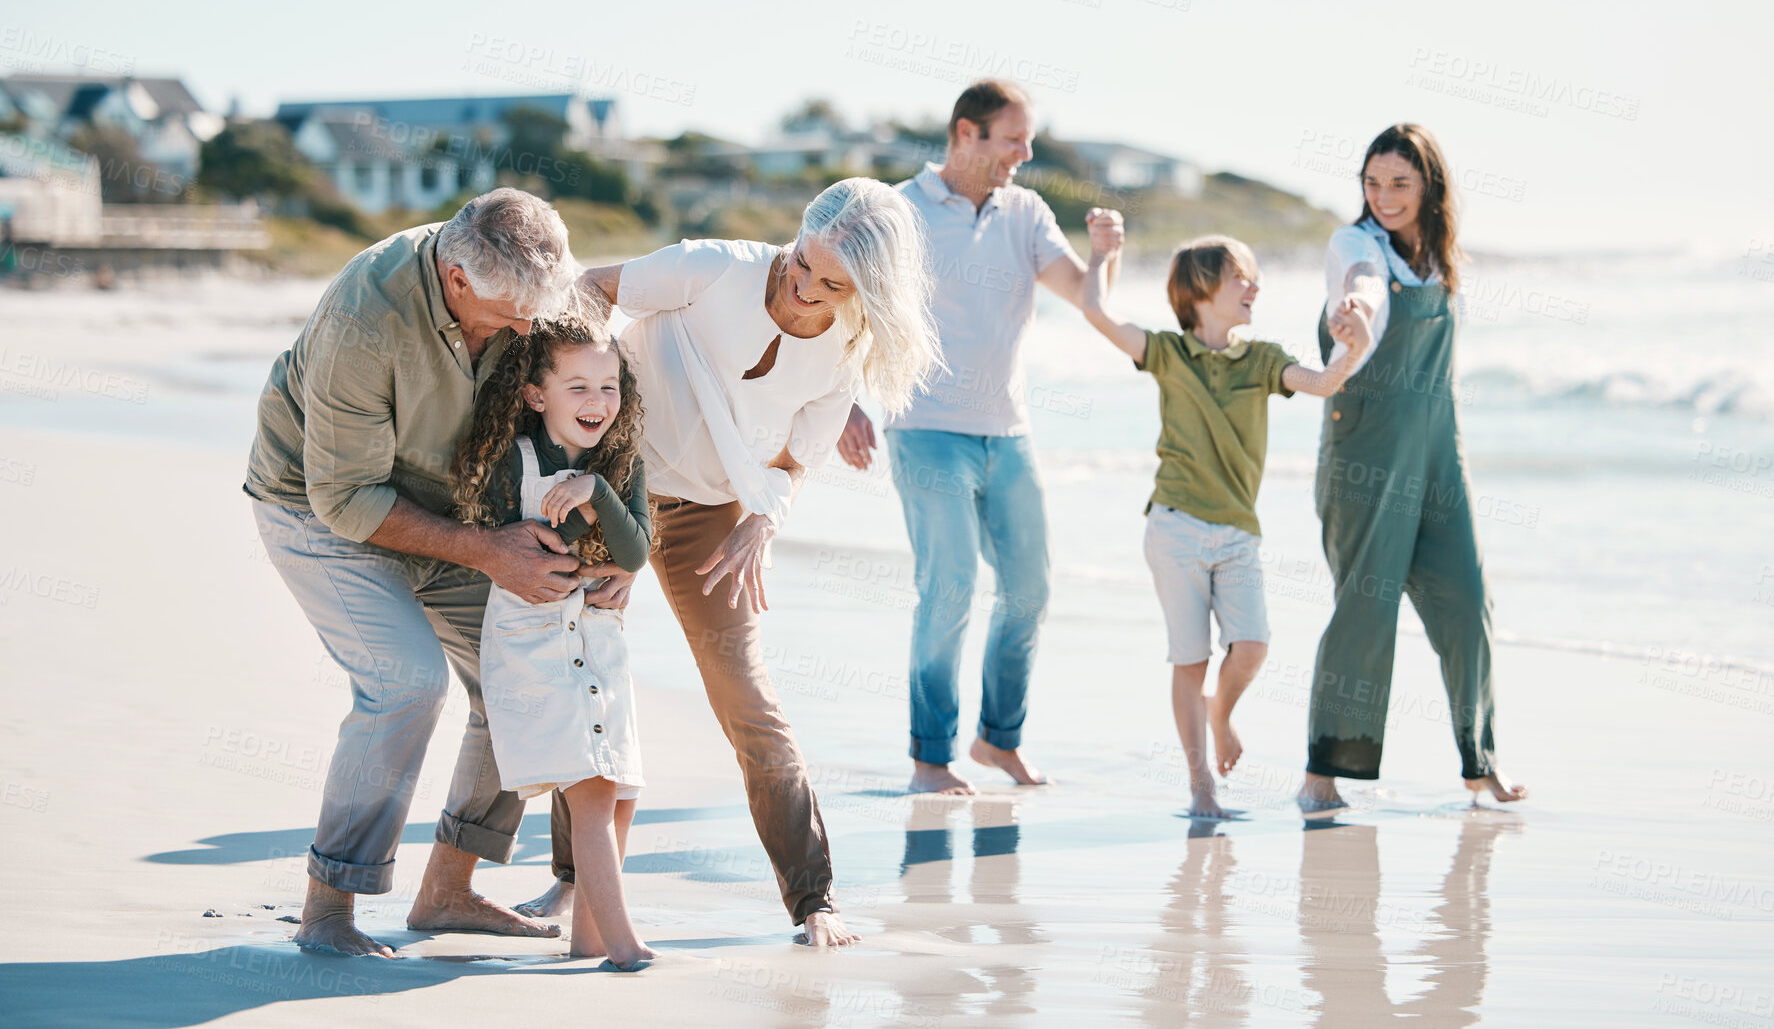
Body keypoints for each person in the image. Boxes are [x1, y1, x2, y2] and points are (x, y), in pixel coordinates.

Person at [517, 178, 941, 946]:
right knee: (588, 668)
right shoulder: (718, 267)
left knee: (746, 698)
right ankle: (573, 880)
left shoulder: (845, 352)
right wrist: (583, 417)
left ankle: (814, 898)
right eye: (803, 263)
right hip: (612, 487)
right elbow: (593, 286)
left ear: (868, 293)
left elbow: (790, 463)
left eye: (832, 285)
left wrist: (762, 524)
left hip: (712, 516)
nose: (805, 287)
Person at [245, 188, 595, 957]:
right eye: (512, 314)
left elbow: (607, 394)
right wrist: (488, 548)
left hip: (448, 507)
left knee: (526, 673)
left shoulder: (527, 296)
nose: (530, 329)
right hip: (317, 504)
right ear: (458, 279)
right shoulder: (363, 316)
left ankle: (448, 891)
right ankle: (329, 907)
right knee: (405, 682)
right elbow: (344, 497)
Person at [839, 78, 1125, 795]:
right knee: (951, 586)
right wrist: (843, 401)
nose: (1025, 154)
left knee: (1029, 590)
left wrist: (1106, 253)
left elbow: (1090, 299)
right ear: (966, 133)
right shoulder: (898, 210)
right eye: (1013, 139)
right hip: (925, 426)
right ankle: (930, 757)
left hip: (1008, 432)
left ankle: (999, 740)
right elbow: (840, 304)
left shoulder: (1024, 212)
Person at [1081, 234, 1372, 818]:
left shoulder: (1263, 359)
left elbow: (1320, 382)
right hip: (1175, 527)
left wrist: (1354, 350)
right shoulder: (1165, 352)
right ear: (1201, 291)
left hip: (1238, 530)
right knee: (1190, 661)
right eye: (1241, 277)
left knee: (1253, 647)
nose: (1254, 287)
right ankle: (1201, 788)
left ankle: (1222, 713)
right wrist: (1102, 253)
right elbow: (1097, 311)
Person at [1297, 123, 1529, 812]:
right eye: (1373, 182)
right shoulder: (1355, 245)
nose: (1385, 196)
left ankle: (1478, 759)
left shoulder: (1444, 256)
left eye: (1399, 182)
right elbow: (1363, 288)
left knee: (1469, 600)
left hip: (1438, 453)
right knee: (1365, 609)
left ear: (1429, 184)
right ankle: (1322, 774)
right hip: (1366, 453)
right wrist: (1358, 319)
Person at [449, 305, 655, 968]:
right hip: (534, 637)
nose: (598, 402)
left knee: (621, 788)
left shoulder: (620, 464)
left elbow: (638, 550)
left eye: (610, 386)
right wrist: (587, 545)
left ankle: (589, 940)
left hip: (599, 639)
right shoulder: (513, 461)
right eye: (578, 387)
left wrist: (595, 491)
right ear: (538, 395)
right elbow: (538, 550)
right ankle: (626, 946)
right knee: (592, 788)